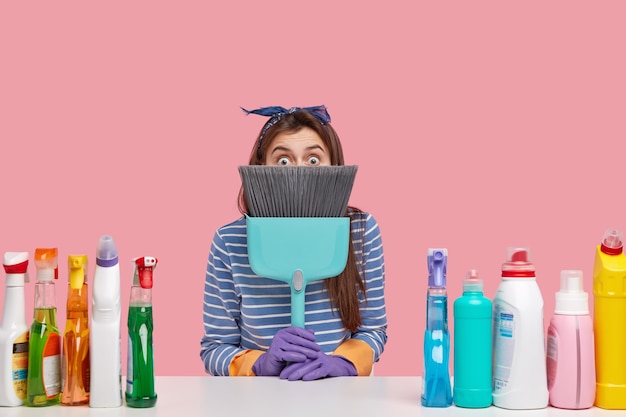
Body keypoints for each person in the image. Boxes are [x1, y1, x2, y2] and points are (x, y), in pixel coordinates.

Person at [200, 105, 387, 381]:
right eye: (283, 161)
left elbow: (373, 330)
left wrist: (342, 364)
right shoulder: (230, 241)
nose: (299, 172)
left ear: (334, 168)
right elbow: (214, 348)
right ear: (261, 168)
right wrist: (259, 364)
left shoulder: (359, 232)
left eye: (313, 160)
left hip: (338, 400)